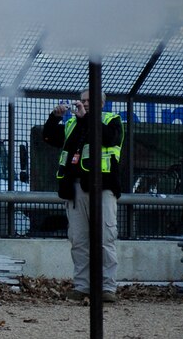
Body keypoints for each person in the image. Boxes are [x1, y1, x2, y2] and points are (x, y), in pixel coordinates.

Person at [42, 89, 124, 303]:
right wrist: (55, 117)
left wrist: (86, 119)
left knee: (105, 239)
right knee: (79, 241)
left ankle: (107, 288)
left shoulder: (112, 121)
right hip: (76, 189)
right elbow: (49, 137)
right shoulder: (72, 124)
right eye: (84, 100)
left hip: (103, 189)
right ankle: (82, 287)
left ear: (102, 104)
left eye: (90, 100)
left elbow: (107, 138)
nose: (85, 103)